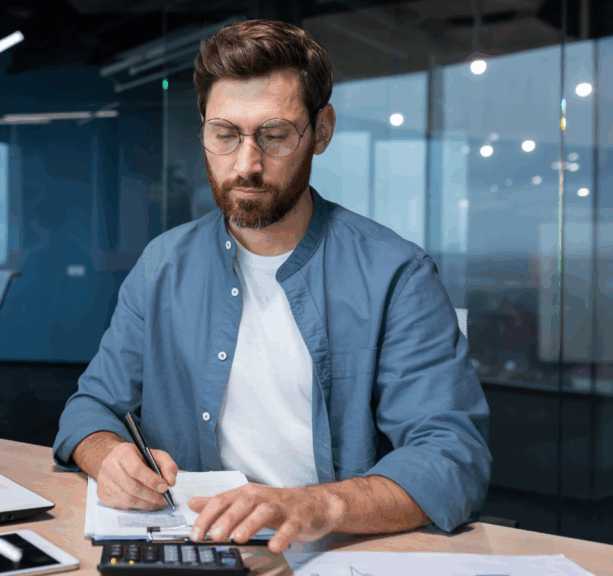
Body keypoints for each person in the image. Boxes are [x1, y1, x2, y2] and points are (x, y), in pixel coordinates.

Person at [52, 19, 490, 554]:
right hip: (191, 547)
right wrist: (107, 457)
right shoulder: (162, 264)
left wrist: (315, 505)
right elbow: (91, 404)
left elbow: (451, 457)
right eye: (224, 134)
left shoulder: (396, 274)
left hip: (330, 552)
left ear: (321, 130)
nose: (246, 164)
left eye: (275, 135)